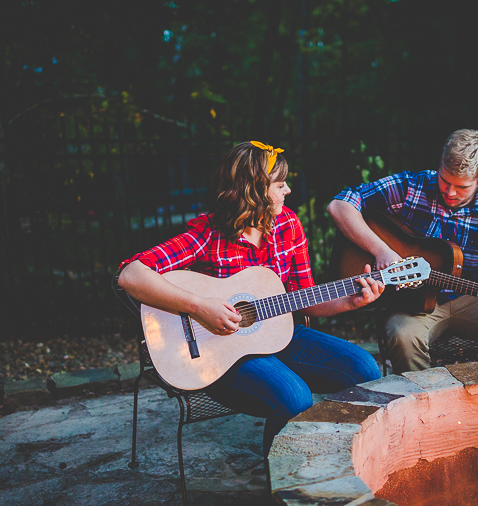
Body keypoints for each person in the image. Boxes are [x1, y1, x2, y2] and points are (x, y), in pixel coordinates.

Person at [118, 141, 383, 453]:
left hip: (278, 334)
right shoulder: (208, 233)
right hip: (217, 353)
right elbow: (130, 274)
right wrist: (200, 307)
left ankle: (346, 458)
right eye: (280, 184)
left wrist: (351, 301)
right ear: (255, 190)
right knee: (294, 396)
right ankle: (284, 484)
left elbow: (304, 297)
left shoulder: (288, 225)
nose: (287, 191)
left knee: (365, 369)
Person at [327, 129, 478, 373]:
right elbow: (340, 205)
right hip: (412, 303)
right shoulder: (412, 187)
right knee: (403, 337)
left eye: (462, 186)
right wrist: (382, 250)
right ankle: (419, 405)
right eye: (445, 180)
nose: (450, 192)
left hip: (473, 299)